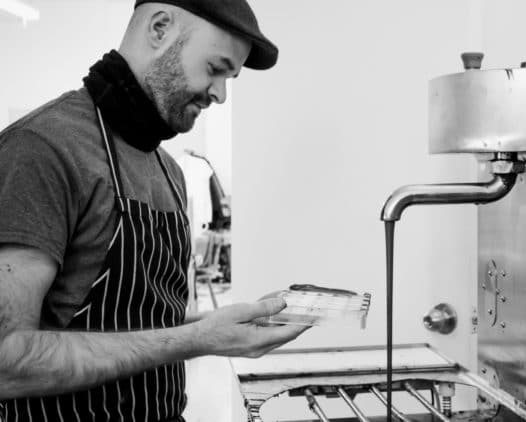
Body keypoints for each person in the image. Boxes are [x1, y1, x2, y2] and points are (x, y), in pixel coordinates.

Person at [0, 1, 307, 421]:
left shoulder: (168, 170)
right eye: (215, 69)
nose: (220, 94)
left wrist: (224, 325)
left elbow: (144, 320)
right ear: (160, 28)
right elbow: (6, 359)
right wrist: (198, 338)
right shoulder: (41, 151)